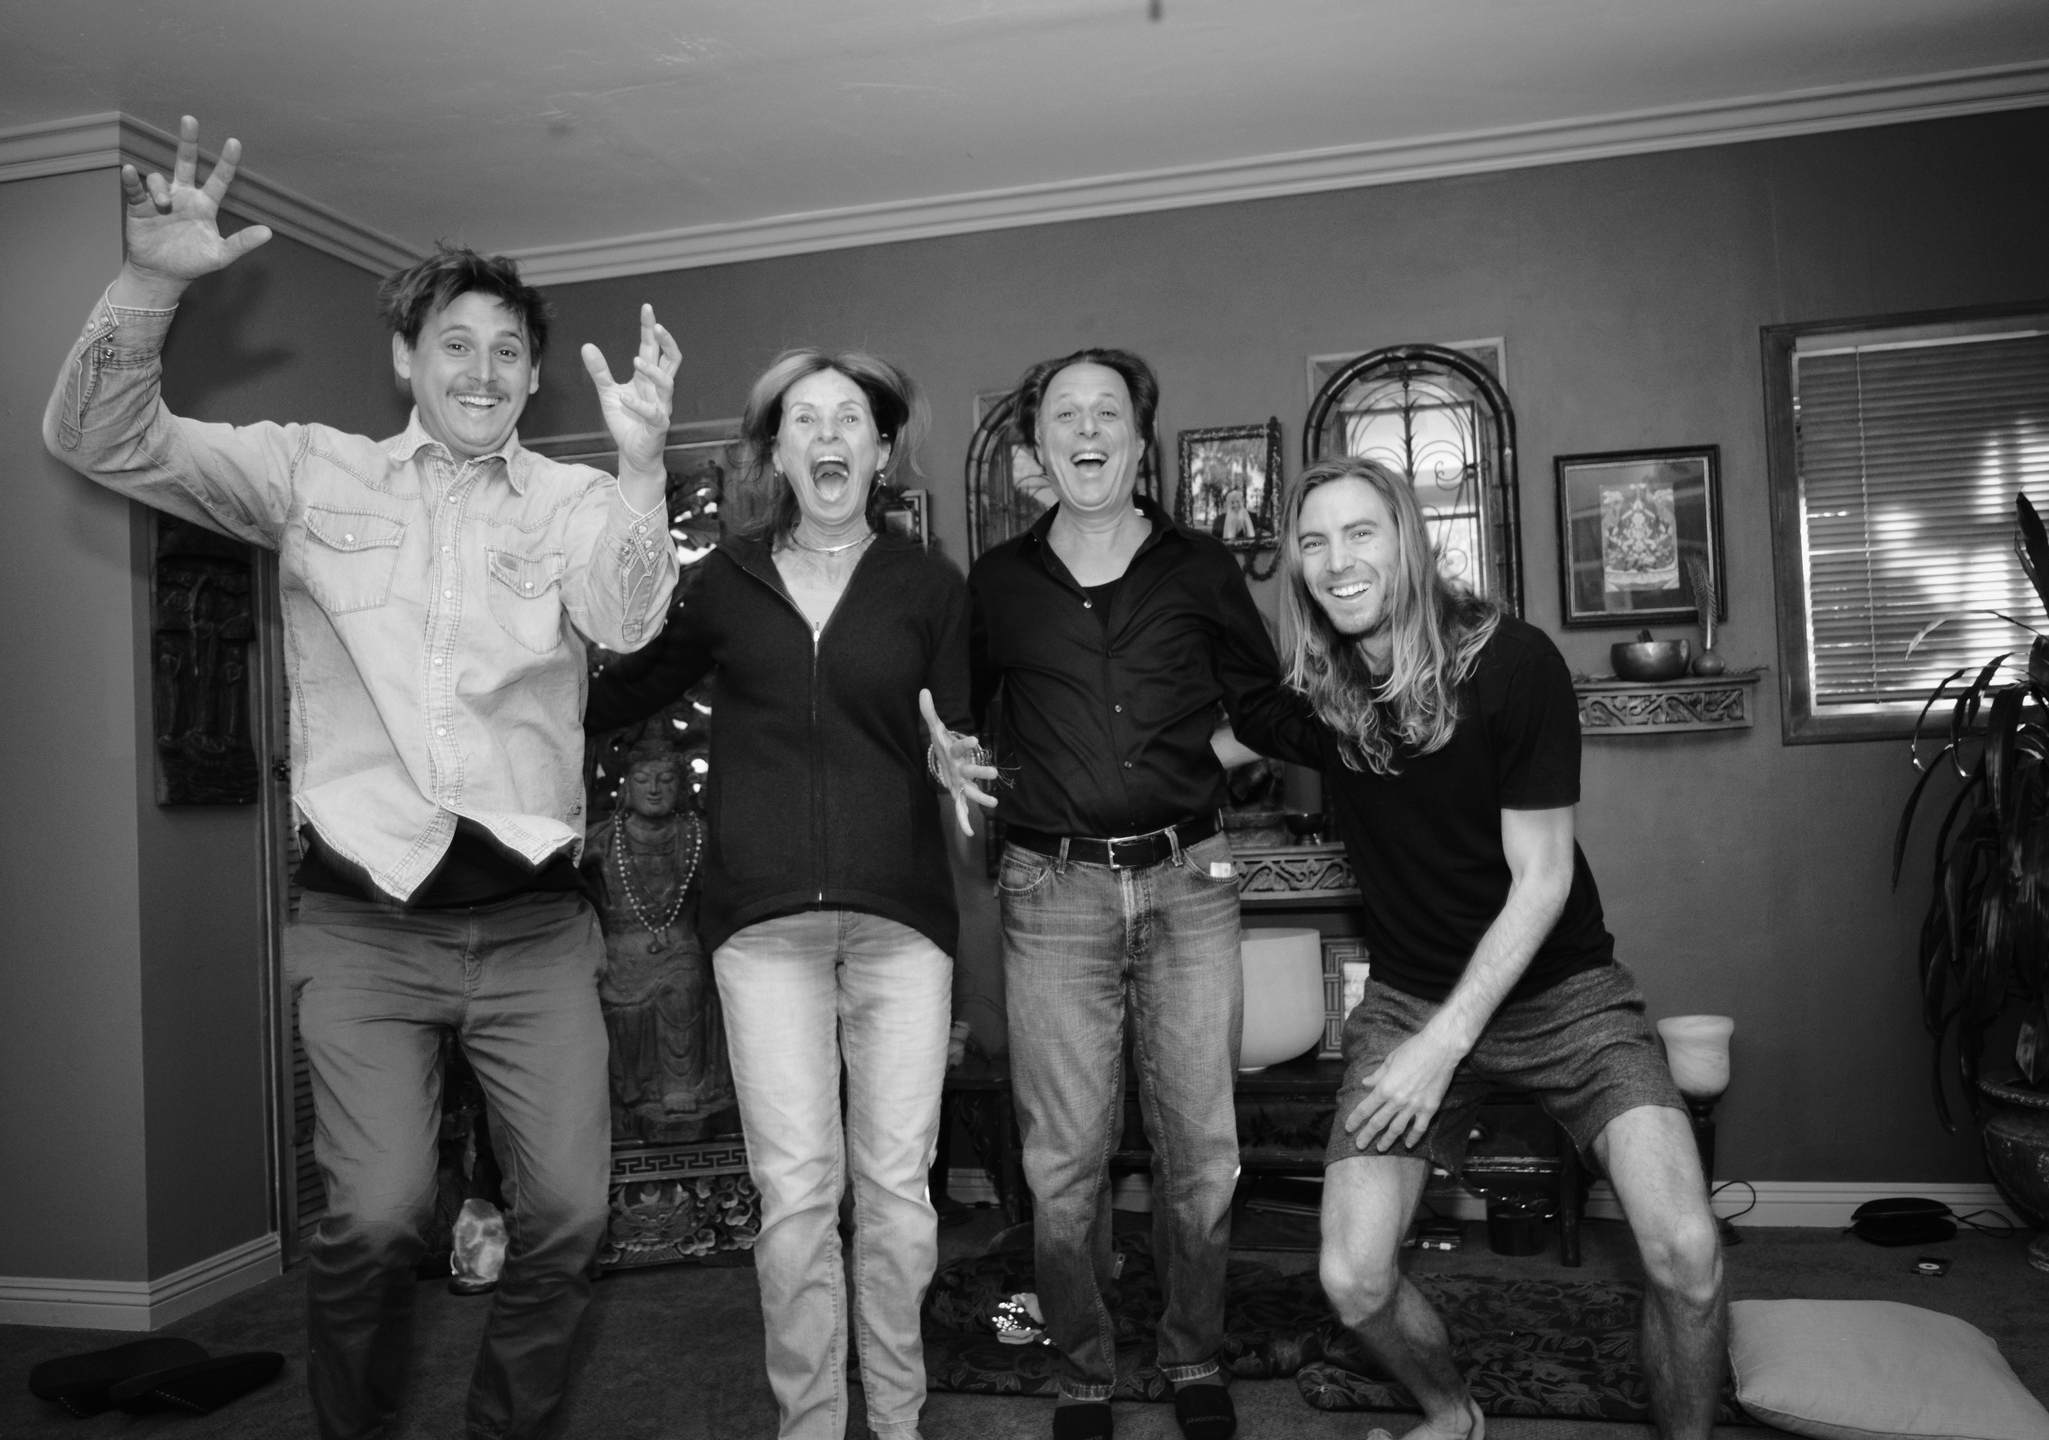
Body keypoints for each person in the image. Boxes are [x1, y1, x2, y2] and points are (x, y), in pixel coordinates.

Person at [40, 118, 683, 1440]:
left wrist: (638, 466)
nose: (482, 369)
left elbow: (627, 618)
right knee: (377, 1217)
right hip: (363, 925)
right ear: (405, 358)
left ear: (534, 375)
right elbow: (99, 438)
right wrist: (152, 280)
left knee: (571, 1215)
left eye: (507, 350)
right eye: (455, 343)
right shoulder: (306, 472)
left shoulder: (569, 503)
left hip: (535, 931)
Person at [1227, 454, 1726, 1440]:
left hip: (1566, 995)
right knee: (1353, 1277)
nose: (1337, 561)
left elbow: (1542, 882)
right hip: (1411, 997)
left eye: (1360, 533)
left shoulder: (1514, 664)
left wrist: (1440, 1048)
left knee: (1688, 1255)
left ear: (1408, 541)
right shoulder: (1328, 697)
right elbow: (1217, 730)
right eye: (1314, 543)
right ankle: (1452, 1414)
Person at [586, 348, 991, 1440]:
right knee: (800, 1194)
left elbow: (956, 734)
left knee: (898, 1194)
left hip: (902, 927)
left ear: (881, 450)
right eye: (803, 420)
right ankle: (810, 1424)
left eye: (849, 418)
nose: (828, 436)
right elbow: (626, 684)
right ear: (778, 453)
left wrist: (954, 761)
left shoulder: (929, 586)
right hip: (763, 933)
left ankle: (896, 1421)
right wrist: (513, 673)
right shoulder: (726, 580)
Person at [967, 349, 1288, 1440]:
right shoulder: (997, 585)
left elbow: (1262, 704)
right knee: (1064, 1163)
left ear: (1140, 441)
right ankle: (1083, 1371)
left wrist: (1211, 755)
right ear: (1038, 449)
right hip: (1051, 888)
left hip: (1190, 880)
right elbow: (962, 718)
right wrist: (949, 756)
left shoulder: (1201, 569)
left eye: (1108, 412)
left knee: (1203, 1151)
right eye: (1067, 414)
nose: (1089, 429)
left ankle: (1193, 1353)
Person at [579, 736, 733, 1143]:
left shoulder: (696, 836)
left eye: (666, 780)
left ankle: (681, 1087)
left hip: (679, 947)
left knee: (684, 987)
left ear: (681, 788)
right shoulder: (603, 839)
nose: (653, 789)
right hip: (620, 950)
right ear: (626, 787)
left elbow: (720, 899)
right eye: (643, 779)